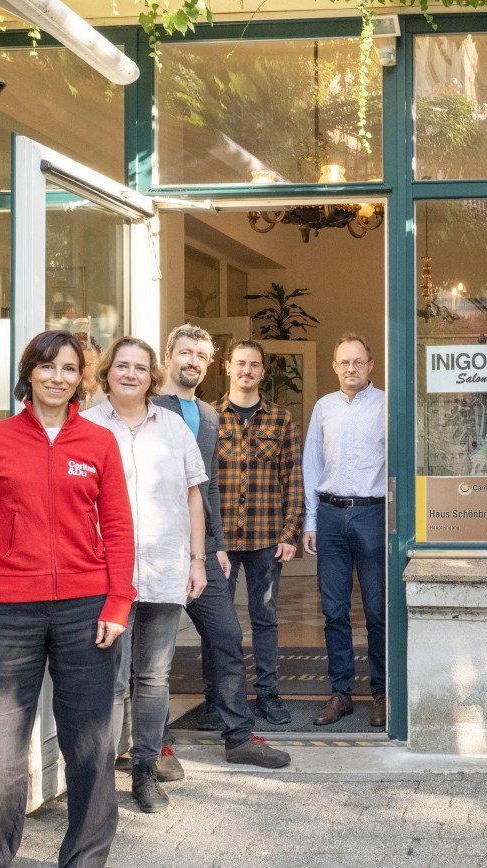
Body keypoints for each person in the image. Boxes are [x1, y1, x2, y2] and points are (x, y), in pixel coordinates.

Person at [0, 329, 135, 867]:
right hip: (8, 612)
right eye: (47, 366)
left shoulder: (99, 443)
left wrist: (118, 602)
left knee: (91, 744)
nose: (58, 377)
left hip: (87, 609)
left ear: (82, 379)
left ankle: (86, 857)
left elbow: (120, 527)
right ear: (29, 372)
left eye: (69, 369)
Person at [154, 325, 295, 765]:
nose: (192, 361)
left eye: (200, 354)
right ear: (168, 356)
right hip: (154, 549)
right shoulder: (151, 407)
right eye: (184, 353)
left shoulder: (208, 417)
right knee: (153, 653)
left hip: (205, 548)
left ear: (210, 364)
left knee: (229, 634)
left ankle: (239, 737)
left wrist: (213, 544)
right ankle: (153, 747)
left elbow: (208, 487)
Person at [83, 336, 209, 813]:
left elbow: (194, 497)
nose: (131, 374)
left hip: (164, 567)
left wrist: (197, 559)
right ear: (107, 373)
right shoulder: (87, 426)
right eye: (122, 366)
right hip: (104, 574)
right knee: (111, 679)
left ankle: (144, 772)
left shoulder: (174, 427)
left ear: (152, 375)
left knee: (153, 677)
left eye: (140, 367)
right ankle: (98, 778)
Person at [213, 339, 305, 727]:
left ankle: (268, 695)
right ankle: (217, 700)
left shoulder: (281, 420)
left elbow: (293, 479)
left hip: (267, 539)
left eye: (254, 365)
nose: (246, 370)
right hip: (220, 544)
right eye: (240, 364)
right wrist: (205, 540)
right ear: (227, 368)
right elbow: (199, 483)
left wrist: (289, 533)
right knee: (218, 622)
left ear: (263, 371)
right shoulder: (208, 416)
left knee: (264, 618)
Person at [302, 333, 388, 727]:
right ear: (334, 367)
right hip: (332, 515)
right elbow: (311, 466)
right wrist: (312, 520)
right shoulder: (323, 408)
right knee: (334, 610)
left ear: (370, 366)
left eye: (358, 361)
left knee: (376, 610)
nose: (350, 368)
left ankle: (382, 692)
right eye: (343, 362)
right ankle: (341, 694)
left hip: (373, 515)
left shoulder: (387, 405)